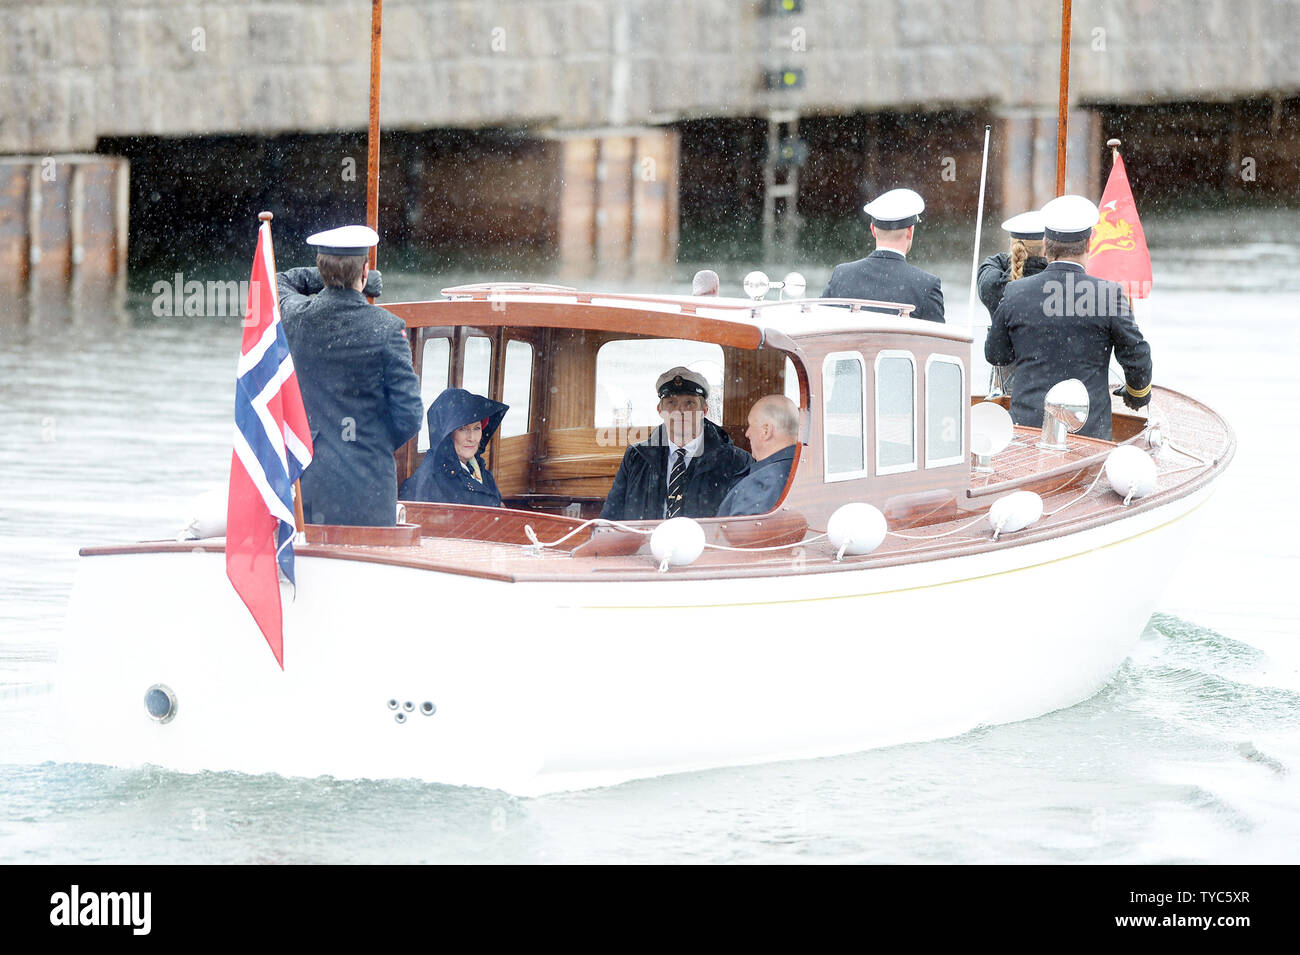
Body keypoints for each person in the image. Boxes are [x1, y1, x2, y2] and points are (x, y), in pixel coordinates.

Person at [278, 224, 423, 526]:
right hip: (368, 487)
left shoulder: (296, 318)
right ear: (366, 272)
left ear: (322, 270)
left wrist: (330, 275)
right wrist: (373, 443)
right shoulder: (388, 327)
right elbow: (409, 415)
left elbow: (277, 282)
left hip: (310, 482)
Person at [985, 195, 1153, 440]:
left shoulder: (1015, 291)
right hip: (1088, 433)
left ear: (1045, 244)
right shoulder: (1109, 294)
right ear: (1089, 245)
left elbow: (996, 354)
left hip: (1026, 429)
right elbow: (1137, 356)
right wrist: (1137, 395)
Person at [600, 366, 751, 522]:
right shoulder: (635, 457)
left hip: (707, 545)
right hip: (643, 543)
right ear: (660, 409)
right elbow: (611, 518)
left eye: (690, 403)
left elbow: (739, 524)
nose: (680, 411)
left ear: (704, 410)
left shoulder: (736, 461)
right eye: (671, 402)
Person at [820, 188, 945, 323]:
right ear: (910, 231)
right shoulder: (926, 285)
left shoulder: (842, 274)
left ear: (873, 230)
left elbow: (819, 326)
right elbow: (939, 342)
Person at [400, 389, 508, 507]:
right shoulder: (432, 479)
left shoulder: (479, 470)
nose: (472, 438)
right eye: (462, 429)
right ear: (447, 434)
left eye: (476, 428)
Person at [716, 395, 799, 517]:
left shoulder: (761, 483)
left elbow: (737, 534)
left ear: (766, 431)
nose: (747, 434)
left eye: (750, 425)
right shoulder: (805, 470)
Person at [977, 211, 1049, 317]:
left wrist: (1013, 256)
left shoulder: (993, 285)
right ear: (1046, 248)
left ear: (1012, 247)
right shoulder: (1058, 284)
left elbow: (990, 264)